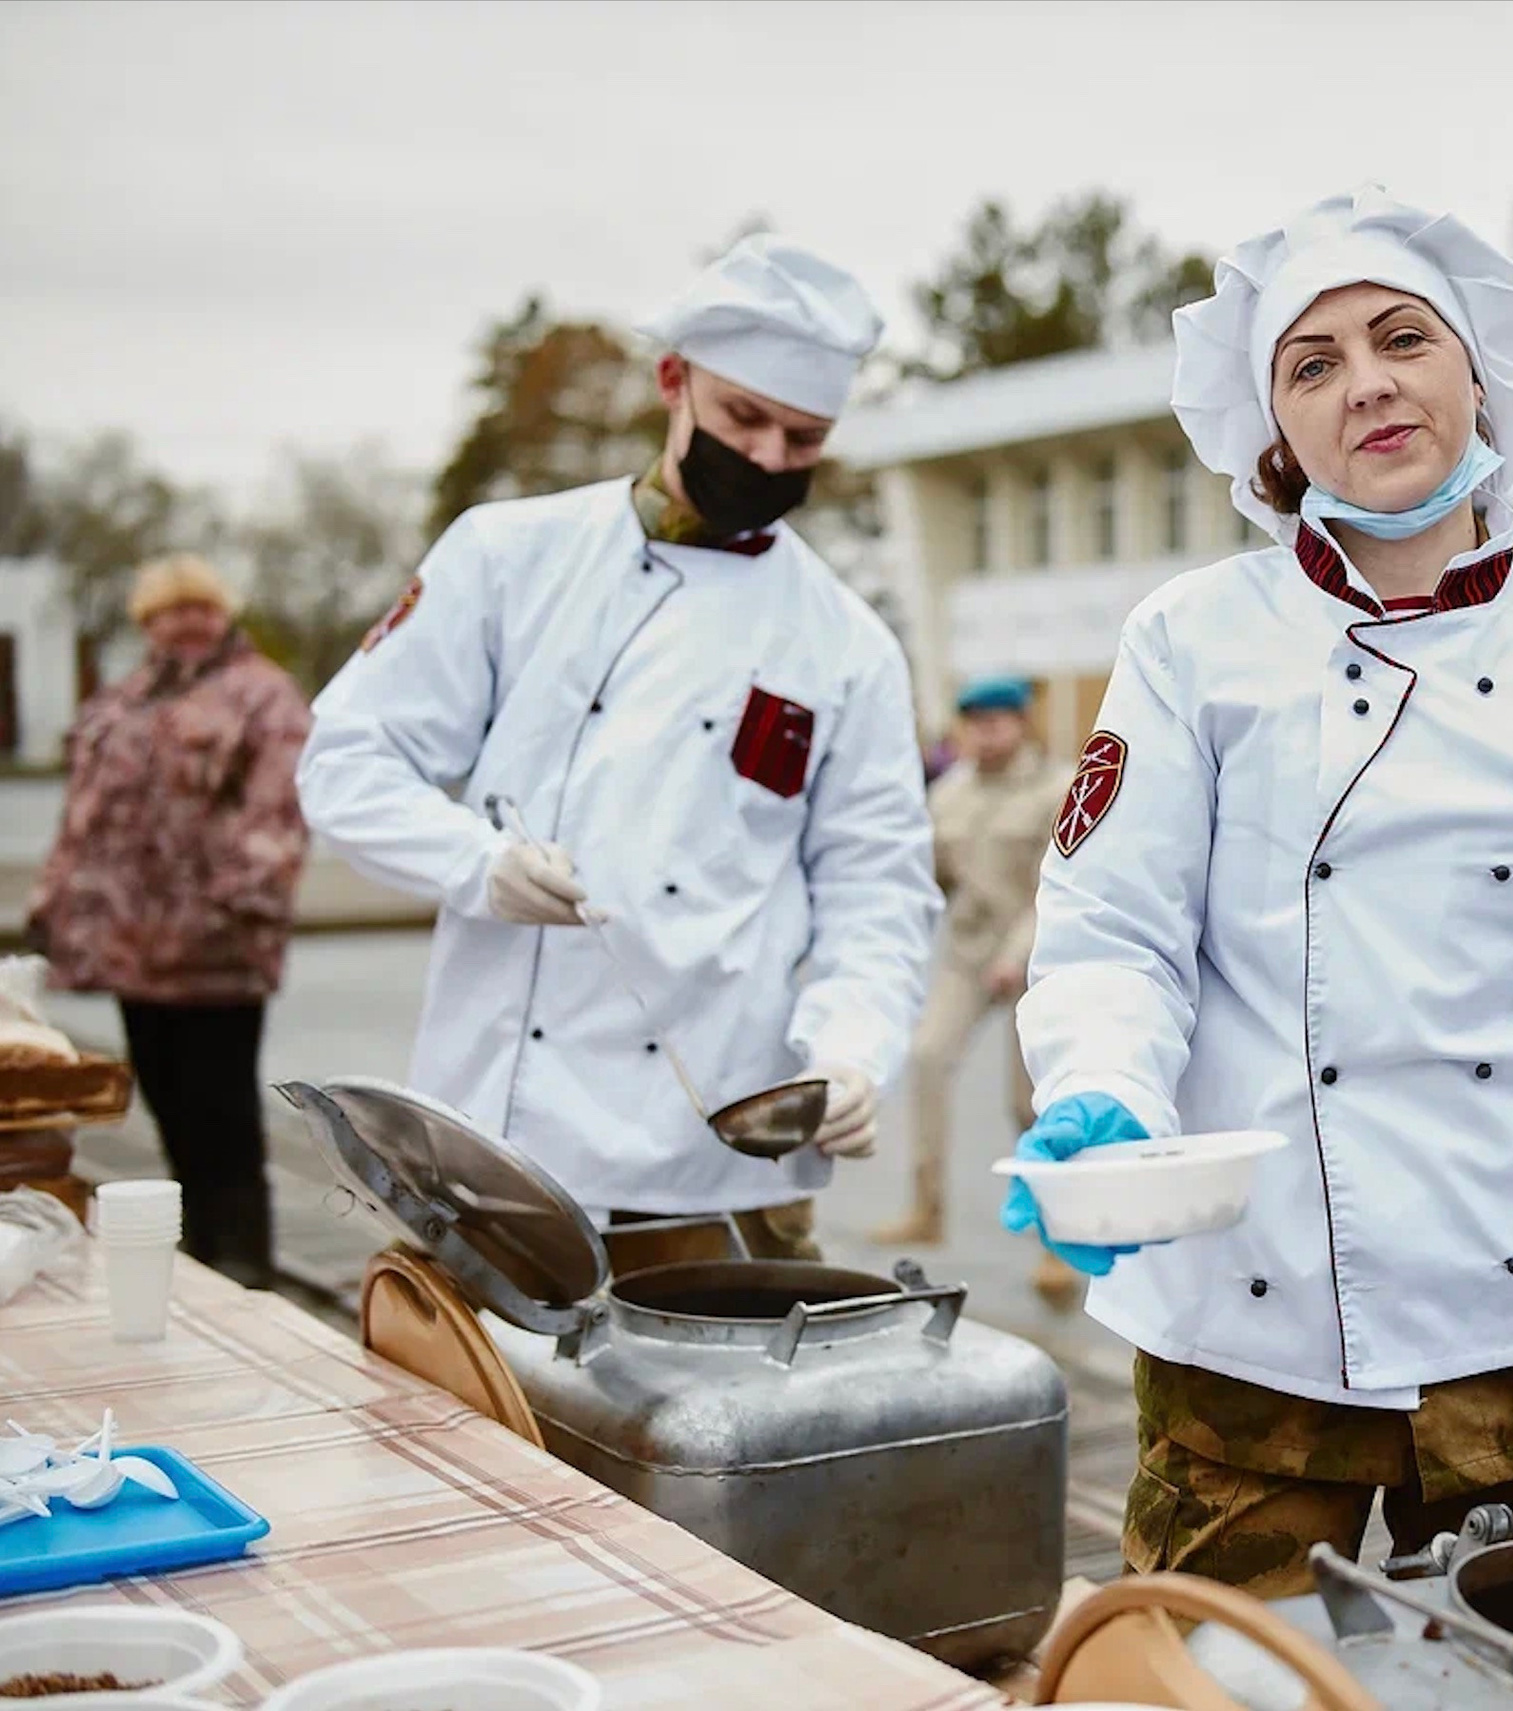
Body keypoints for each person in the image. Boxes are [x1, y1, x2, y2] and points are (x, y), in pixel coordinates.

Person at [1003, 188, 1513, 1595]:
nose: (1369, 382)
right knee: (1211, 1683)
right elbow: (1115, 929)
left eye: (1401, 337)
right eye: (1314, 363)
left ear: (1480, 369)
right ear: (1273, 432)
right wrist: (1101, 1091)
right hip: (1249, 1321)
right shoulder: (1190, 641)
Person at [297, 235, 938, 1260]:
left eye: (804, 437)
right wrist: (481, 865)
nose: (770, 456)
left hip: (722, 1166)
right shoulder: (508, 557)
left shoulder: (846, 641)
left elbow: (879, 889)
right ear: (673, 381)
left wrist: (852, 1055)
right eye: (744, 418)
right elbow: (345, 762)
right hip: (500, 1145)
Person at [29, 554, 312, 1286]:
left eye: (200, 609)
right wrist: (54, 902)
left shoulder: (264, 695)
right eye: (168, 611)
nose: (186, 624)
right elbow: (83, 815)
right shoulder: (121, 702)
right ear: (145, 623)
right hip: (129, 951)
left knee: (225, 1117)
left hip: (216, 955)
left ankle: (247, 1265)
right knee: (170, 1111)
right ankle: (194, 1263)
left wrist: (232, 902)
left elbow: (280, 808)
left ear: (224, 614)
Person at [870, 675, 1070, 1272]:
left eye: (998, 722)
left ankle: (1056, 1243)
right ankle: (927, 1208)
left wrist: (1019, 953)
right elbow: (928, 882)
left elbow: (1057, 888)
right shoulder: (948, 797)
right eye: (976, 723)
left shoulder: (1056, 790)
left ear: (1021, 723)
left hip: (1035, 956)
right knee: (928, 1056)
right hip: (967, 952)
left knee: (1029, 1102)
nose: (986, 734)